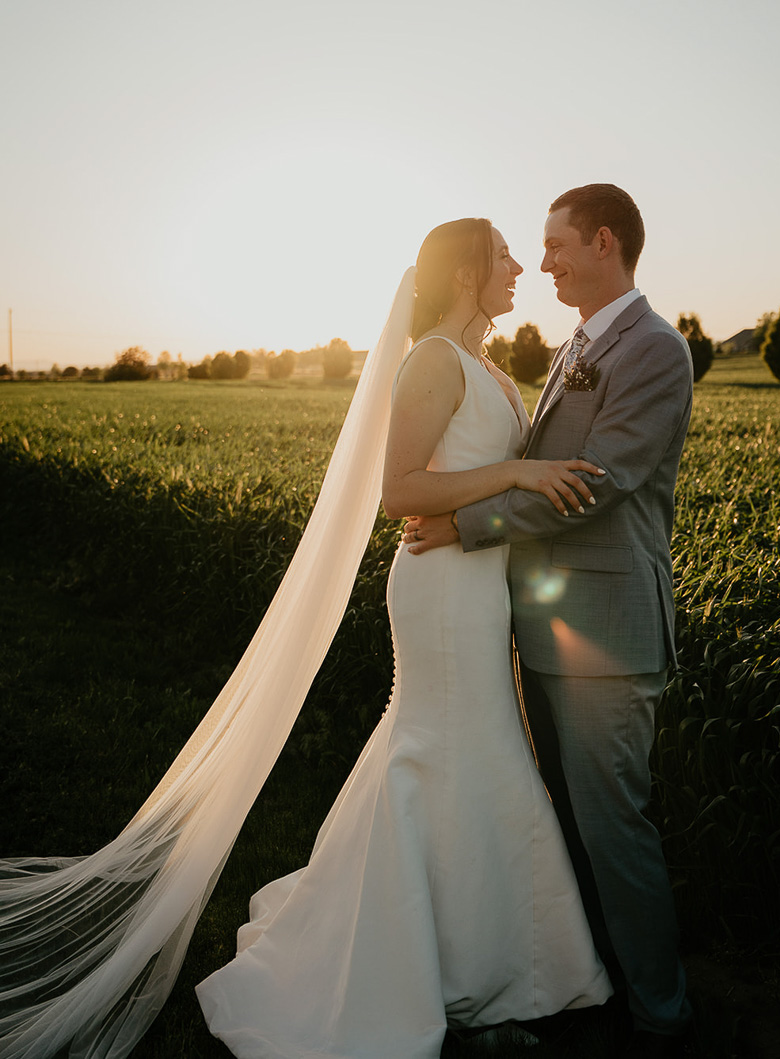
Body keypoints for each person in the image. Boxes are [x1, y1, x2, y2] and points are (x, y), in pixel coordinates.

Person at [195, 217, 612, 1057]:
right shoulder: (431, 358)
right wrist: (518, 470)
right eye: (501, 255)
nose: (518, 266)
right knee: (457, 749)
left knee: (470, 752)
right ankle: (466, 974)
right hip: (436, 590)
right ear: (463, 272)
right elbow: (401, 490)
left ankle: (480, 964)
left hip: (479, 585)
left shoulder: (488, 365)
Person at [405, 186, 695, 1058]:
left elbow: (591, 483)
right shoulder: (579, 343)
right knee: (568, 826)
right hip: (544, 625)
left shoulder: (652, 349)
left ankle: (660, 1018)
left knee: (614, 827)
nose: (542, 262)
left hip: (607, 631)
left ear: (604, 241)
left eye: (557, 244)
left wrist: (467, 525)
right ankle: (593, 984)